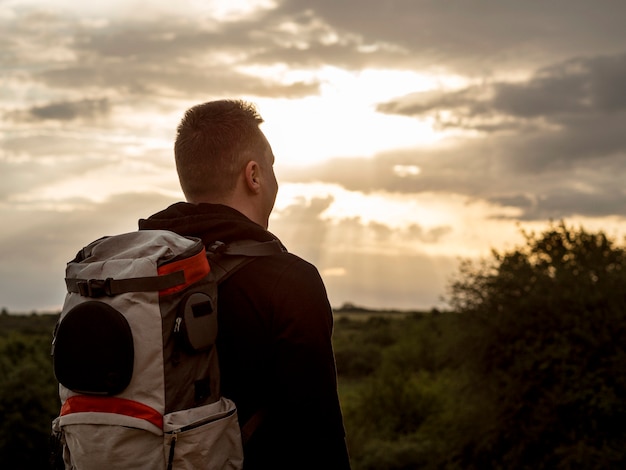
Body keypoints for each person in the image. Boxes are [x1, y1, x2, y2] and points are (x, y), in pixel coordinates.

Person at [139, 99, 351, 469]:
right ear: (253, 175)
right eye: (271, 168)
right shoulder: (290, 282)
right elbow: (319, 439)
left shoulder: (132, 274)